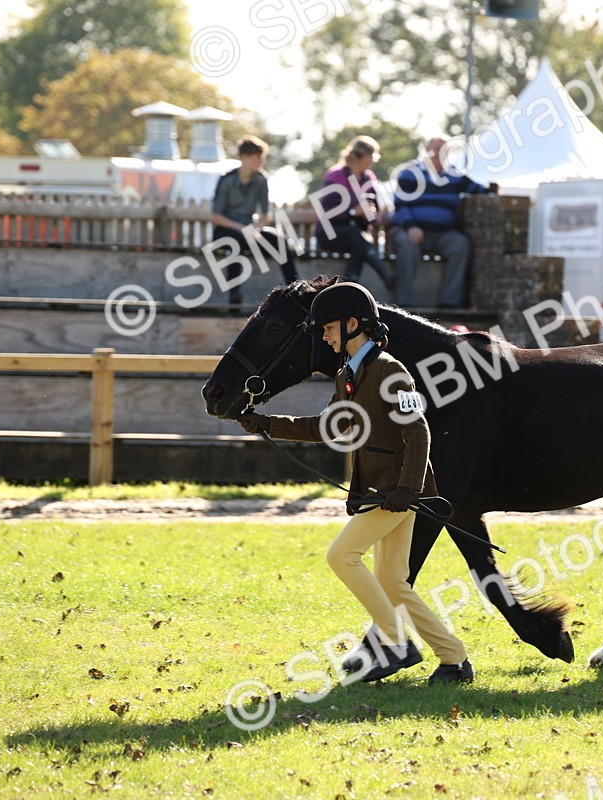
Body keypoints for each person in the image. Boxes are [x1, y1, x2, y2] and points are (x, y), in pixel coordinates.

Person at [238, 282, 474, 685]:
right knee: (393, 583)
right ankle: (454, 659)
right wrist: (267, 423)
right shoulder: (348, 373)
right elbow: (328, 426)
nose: (325, 338)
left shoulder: (390, 372)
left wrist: (409, 489)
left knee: (341, 555)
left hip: (396, 492)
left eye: (329, 329)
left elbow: (418, 434)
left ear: (352, 324)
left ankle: (395, 643)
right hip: (381, 489)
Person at [389, 137, 495, 309]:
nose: (439, 153)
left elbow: (479, 190)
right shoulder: (409, 174)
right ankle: (403, 302)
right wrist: (411, 226)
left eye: (444, 149)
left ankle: (450, 301)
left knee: (461, 245)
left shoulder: (455, 176)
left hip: (443, 234)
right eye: (436, 148)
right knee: (408, 247)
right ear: (426, 149)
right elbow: (400, 204)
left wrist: (493, 189)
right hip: (412, 230)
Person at [210, 135, 298, 304]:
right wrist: (242, 229)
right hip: (227, 230)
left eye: (262, 157)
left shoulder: (261, 179)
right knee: (236, 240)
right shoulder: (226, 180)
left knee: (280, 241)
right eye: (258, 157)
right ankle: (234, 296)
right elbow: (216, 216)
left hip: (250, 230)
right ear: (244, 157)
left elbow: (266, 215)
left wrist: (256, 228)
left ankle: (294, 291)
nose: (261, 161)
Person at [317, 136, 397, 293]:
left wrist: (370, 215)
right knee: (358, 237)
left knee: (359, 241)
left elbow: (375, 212)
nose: (373, 162)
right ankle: (383, 273)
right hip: (330, 233)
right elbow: (327, 212)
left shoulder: (369, 178)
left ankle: (348, 284)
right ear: (364, 156)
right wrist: (353, 212)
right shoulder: (335, 176)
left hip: (357, 235)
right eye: (372, 157)